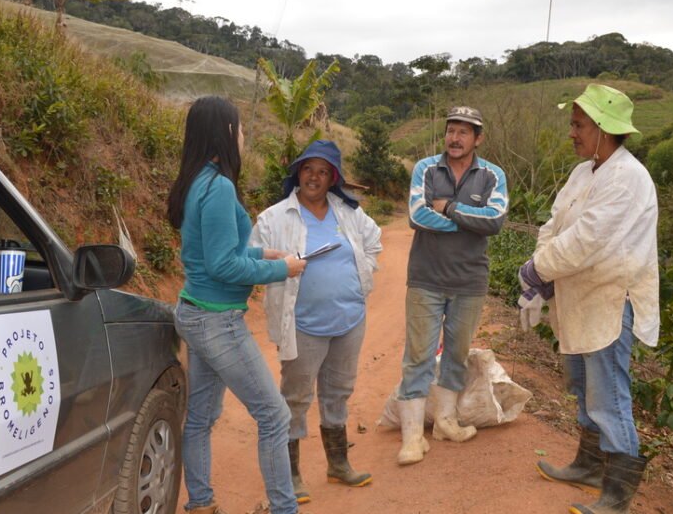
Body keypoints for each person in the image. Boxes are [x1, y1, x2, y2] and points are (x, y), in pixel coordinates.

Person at [518, 84, 659, 514]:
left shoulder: (628, 178)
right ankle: (589, 465)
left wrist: (538, 270)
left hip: (610, 300)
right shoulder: (585, 172)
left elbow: (585, 240)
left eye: (578, 125)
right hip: (580, 298)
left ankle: (617, 495)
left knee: (608, 395)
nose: (572, 133)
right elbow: (555, 224)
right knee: (583, 387)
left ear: (603, 128)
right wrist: (540, 264)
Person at [167, 96, 307, 514]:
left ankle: (201, 504)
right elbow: (224, 265)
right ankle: (284, 508)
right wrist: (286, 271)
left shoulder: (198, 181)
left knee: (200, 418)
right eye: (240, 127)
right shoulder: (219, 186)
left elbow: (212, 253)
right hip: (217, 321)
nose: (244, 135)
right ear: (225, 132)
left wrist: (265, 255)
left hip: (196, 310)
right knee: (274, 416)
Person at [251, 140, 383, 503]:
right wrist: (281, 266)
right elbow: (254, 260)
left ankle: (338, 463)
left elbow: (373, 243)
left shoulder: (349, 213)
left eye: (323, 171)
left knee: (338, 390)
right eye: (309, 169)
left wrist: (361, 277)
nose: (314, 177)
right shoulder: (274, 217)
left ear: (332, 178)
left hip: (349, 319)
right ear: (298, 173)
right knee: (295, 396)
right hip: (302, 324)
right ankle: (290, 473)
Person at [397, 106, 508, 465]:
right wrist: (466, 222)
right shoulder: (426, 169)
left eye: (464, 132)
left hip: (470, 282)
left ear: (478, 139)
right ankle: (412, 437)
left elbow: (495, 220)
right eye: (451, 131)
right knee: (418, 356)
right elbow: (417, 215)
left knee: (457, 355)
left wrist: (448, 209)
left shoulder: (493, 175)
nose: (455, 138)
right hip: (426, 279)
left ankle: (445, 422)